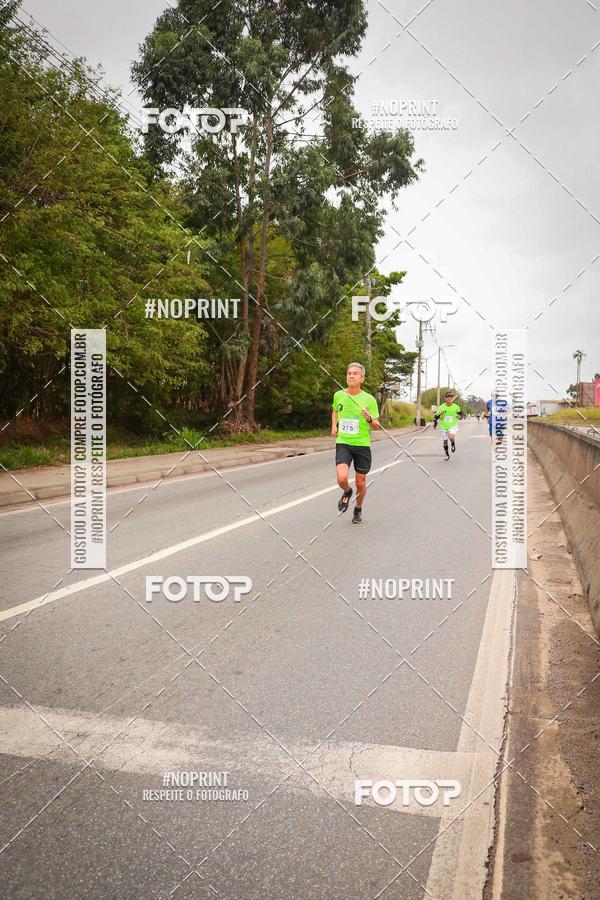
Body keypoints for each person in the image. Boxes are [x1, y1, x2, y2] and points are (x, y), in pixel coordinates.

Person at [331, 363, 380, 523]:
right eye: (349, 373)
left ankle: (358, 508)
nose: (351, 376)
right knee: (342, 477)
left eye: (355, 374)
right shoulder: (339, 395)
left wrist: (369, 419)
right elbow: (335, 410)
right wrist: (333, 426)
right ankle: (347, 491)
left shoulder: (369, 399)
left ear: (362, 378)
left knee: (360, 482)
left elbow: (376, 425)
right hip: (343, 442)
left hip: (362, 445)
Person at [433, 391, 463, 460]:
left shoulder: (456, 407)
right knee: (445, 441)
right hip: (444, 426)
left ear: (452, 398)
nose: (449, 398)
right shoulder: (441, 407)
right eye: (447, 397)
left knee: (451, 436)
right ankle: (447, 455)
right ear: (445, 398)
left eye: (450, 397)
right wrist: (440, 413)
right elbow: (436, 417)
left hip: (453, 425)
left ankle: (452, 442)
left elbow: (461, 414)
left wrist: (460, 416)